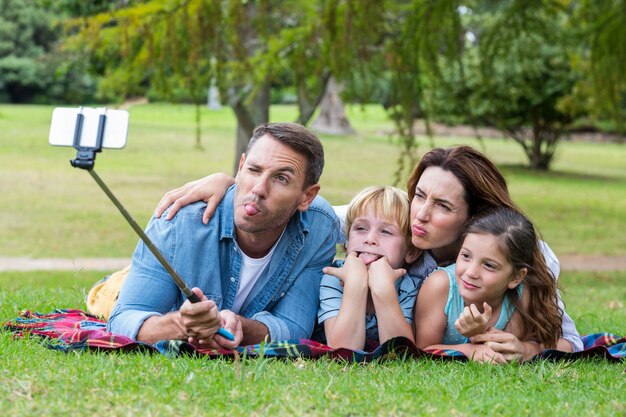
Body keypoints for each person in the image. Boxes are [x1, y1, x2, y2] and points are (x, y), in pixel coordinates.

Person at [154, 145, 582, 358]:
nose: (421, 216)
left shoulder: (521, 253)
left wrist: (525, 350)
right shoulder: (392, 232)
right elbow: (309, 211)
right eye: (419, 196)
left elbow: (569, 339)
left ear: (475, 218)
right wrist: (230, 185)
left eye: (443, 206)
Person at [107, 122, 339, 349]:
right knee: (108, 294)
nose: (258, 189)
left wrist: (242, 327)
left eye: (281, 178)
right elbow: (121, 321)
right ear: (240, 168)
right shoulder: (178, 221)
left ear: (307, 196)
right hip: (132, 287)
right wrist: (181, 324)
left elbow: (294, 327)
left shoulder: (319, 228)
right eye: (253, 170)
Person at [414, 207, 563, 363]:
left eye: (489, 265)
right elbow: (424, 349)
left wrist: (524, 349)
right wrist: (470, 350)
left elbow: (514, 347)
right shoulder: (440, 286)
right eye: (466, 256)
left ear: (516, 277)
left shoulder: (521, 294)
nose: (471, 272)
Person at [318, 186, 419, 350]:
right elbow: (343, 350)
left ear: (411, 251)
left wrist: (383, 290)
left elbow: (400, 354)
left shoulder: (409, 286)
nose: (370, 239)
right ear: (347, 241)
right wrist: (355, 285)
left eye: (385, 231)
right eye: (361, 228)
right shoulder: (334, 277)